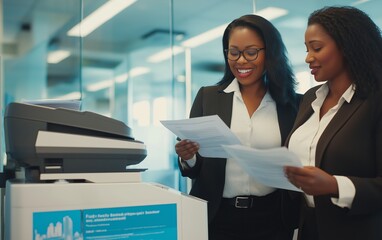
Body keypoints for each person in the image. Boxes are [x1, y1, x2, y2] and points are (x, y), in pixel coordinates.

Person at [175, 14, 300, 240]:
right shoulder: (208, 97)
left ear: (270, 53)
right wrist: (188, 156)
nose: (241, 61)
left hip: (272, 217)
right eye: (233, 52)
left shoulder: (292, 104)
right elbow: (194, 168)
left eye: (251, 52)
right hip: (217, 215)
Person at [284, 6, 382, 240]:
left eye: (317, 48)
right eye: (307, 49)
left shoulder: (376, 100)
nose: (308, 58)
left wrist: (334, 185)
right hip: (308, 229)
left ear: (347, 47)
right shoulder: (310, 98)